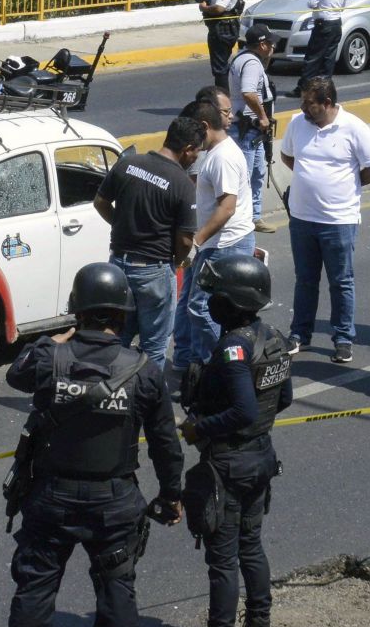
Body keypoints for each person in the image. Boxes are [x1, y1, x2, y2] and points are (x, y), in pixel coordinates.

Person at [0, 264, 185, 627]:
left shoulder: (49, 359)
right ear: (122, 315)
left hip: (51, 500)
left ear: (75, 312)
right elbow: (165, 444)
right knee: (117, 590)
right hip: (114, 502)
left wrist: (55, 339)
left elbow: (15, 373)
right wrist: (171, 495)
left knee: (36, 588)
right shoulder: (143, 370)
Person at [166, 254, 292, 627]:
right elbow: (284, 399)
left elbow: (243, 409)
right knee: (251, 550)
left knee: (223, 563)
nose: (209, 301)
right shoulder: (273, 338)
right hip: (260, 458)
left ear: (232, 301)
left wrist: (200, 428)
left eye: (216, 295)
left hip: (231, 465)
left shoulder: (233, 348)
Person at [281, 76, 370, 363]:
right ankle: (300, 333)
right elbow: (289, 157)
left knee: (341, 281)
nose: (303, 107)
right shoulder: (297, 123)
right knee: (305, 279)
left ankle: (342, 337)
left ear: (327, 103)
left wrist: (348, 185)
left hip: (339, 220)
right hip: (301, 218)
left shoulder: (354, 128)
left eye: (309, 103)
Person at [94, 116, 202, 368]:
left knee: (115, 340)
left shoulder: (127, 164)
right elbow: (186, 239)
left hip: (117, 268)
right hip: (153, 272)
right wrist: (176, 260)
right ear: (187, 150)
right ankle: (147, 400)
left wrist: (122, 226)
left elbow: (99, 202)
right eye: (197, 152)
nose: (197, 158)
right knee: (154, 345)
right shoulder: (182, 184)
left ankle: (109, 395)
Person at [173, 96, 257, 374]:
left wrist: (196, 241)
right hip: (213, 244)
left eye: (194, 132)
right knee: (188, 303)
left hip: (224, 245)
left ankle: (215, 367)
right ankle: (189, 361)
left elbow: (227, 208)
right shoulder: (214, 154)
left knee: (200, 307)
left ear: (205, 126)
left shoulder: (223, 158)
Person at [228, 24, 278, 234]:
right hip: (248, 128)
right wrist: (263, 117)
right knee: (245, 176)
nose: (274, 46)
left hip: (253, 131)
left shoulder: (246, 59)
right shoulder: (251, 63)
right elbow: (249, 92)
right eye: (271, 43)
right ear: (263, 45)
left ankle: (254, 217)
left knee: (257, 173)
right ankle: (241, 220)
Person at [201, 0, 245, 92]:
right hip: (224, 28)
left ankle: (222, 100)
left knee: (220, 68)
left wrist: (204, 7)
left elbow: (218, 8)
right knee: (220, 66)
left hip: (222, 30)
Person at [302, 0, 349, 85]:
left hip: (323, 25)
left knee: (313, 57)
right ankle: (324, 88)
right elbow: (342, 7)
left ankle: (304, 87)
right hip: (336, 25)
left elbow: (312, 3)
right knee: (329, 58)